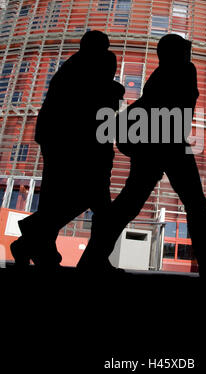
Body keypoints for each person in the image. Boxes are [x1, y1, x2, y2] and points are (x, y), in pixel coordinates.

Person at [77, 34, 206, 280]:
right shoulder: (183, 69)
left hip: (153, 147)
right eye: (184, 49)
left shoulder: (159, 75)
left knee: (128, 205)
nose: (189, 51)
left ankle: (92, 260)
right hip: (169, 146)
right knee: (194, 205)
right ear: (175, 52)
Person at [10, 30, 125, 269]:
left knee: (59, 198)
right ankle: (38, 239)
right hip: (76, 142)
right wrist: (115, 92)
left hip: (61, 140)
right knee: (96, 199)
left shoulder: (71, 67)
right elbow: (96, 98)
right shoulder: (93, 64)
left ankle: (36, 246)